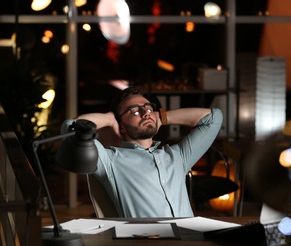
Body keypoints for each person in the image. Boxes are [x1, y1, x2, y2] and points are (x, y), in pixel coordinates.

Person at [61, 88, 223, 218]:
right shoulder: (110, 160)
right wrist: (109, 118)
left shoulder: (177, 156)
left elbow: (214, 118)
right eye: (134, 111)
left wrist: (161, 117)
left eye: (148, 108)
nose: (146, 113)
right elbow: (69, 128)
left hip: (190, 244)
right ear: (121, 125)